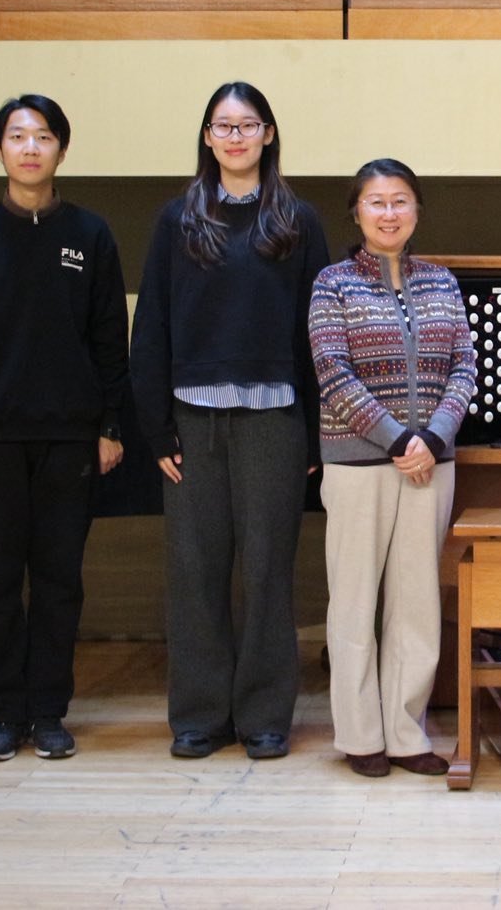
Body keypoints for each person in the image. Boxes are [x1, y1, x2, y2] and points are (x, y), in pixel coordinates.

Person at [130, 81, 329, 762]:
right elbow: (150, 323)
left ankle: (266, 714)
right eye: (223, 125)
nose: (236, 136)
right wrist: (155, 428)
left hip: (275, 417)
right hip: (193, 420)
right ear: (208, 137)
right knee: (194, 570)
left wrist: (313, 428)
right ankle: (199, 714)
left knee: (270, 570)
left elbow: (317, 331)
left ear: (268, 135)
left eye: (248, 125)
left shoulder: (298, 220)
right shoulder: (176, 219)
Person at [0, 94, 129, 763]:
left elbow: (110, 339)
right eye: (16, 136)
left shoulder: (90, 235)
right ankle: (1, 714)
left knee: (57, 581)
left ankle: (48, 712)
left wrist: (110, 424)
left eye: (42, 136)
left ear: (61, 150)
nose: (29, 148)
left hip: (70, 437)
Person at [309, 160, 476, 778]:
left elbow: (465, 365)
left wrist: (433, 436)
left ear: (415, 211)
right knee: (354, 599)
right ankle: (359, 735)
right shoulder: (332, 283)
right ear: (356, 212)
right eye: (375, 202)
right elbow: (332, 371)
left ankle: (407, 733)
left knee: (416, 601)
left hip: (431, 459)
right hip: (358, 461)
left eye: (400, 201)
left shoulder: (441, 281)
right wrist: (397, 436)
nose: (388, 213)